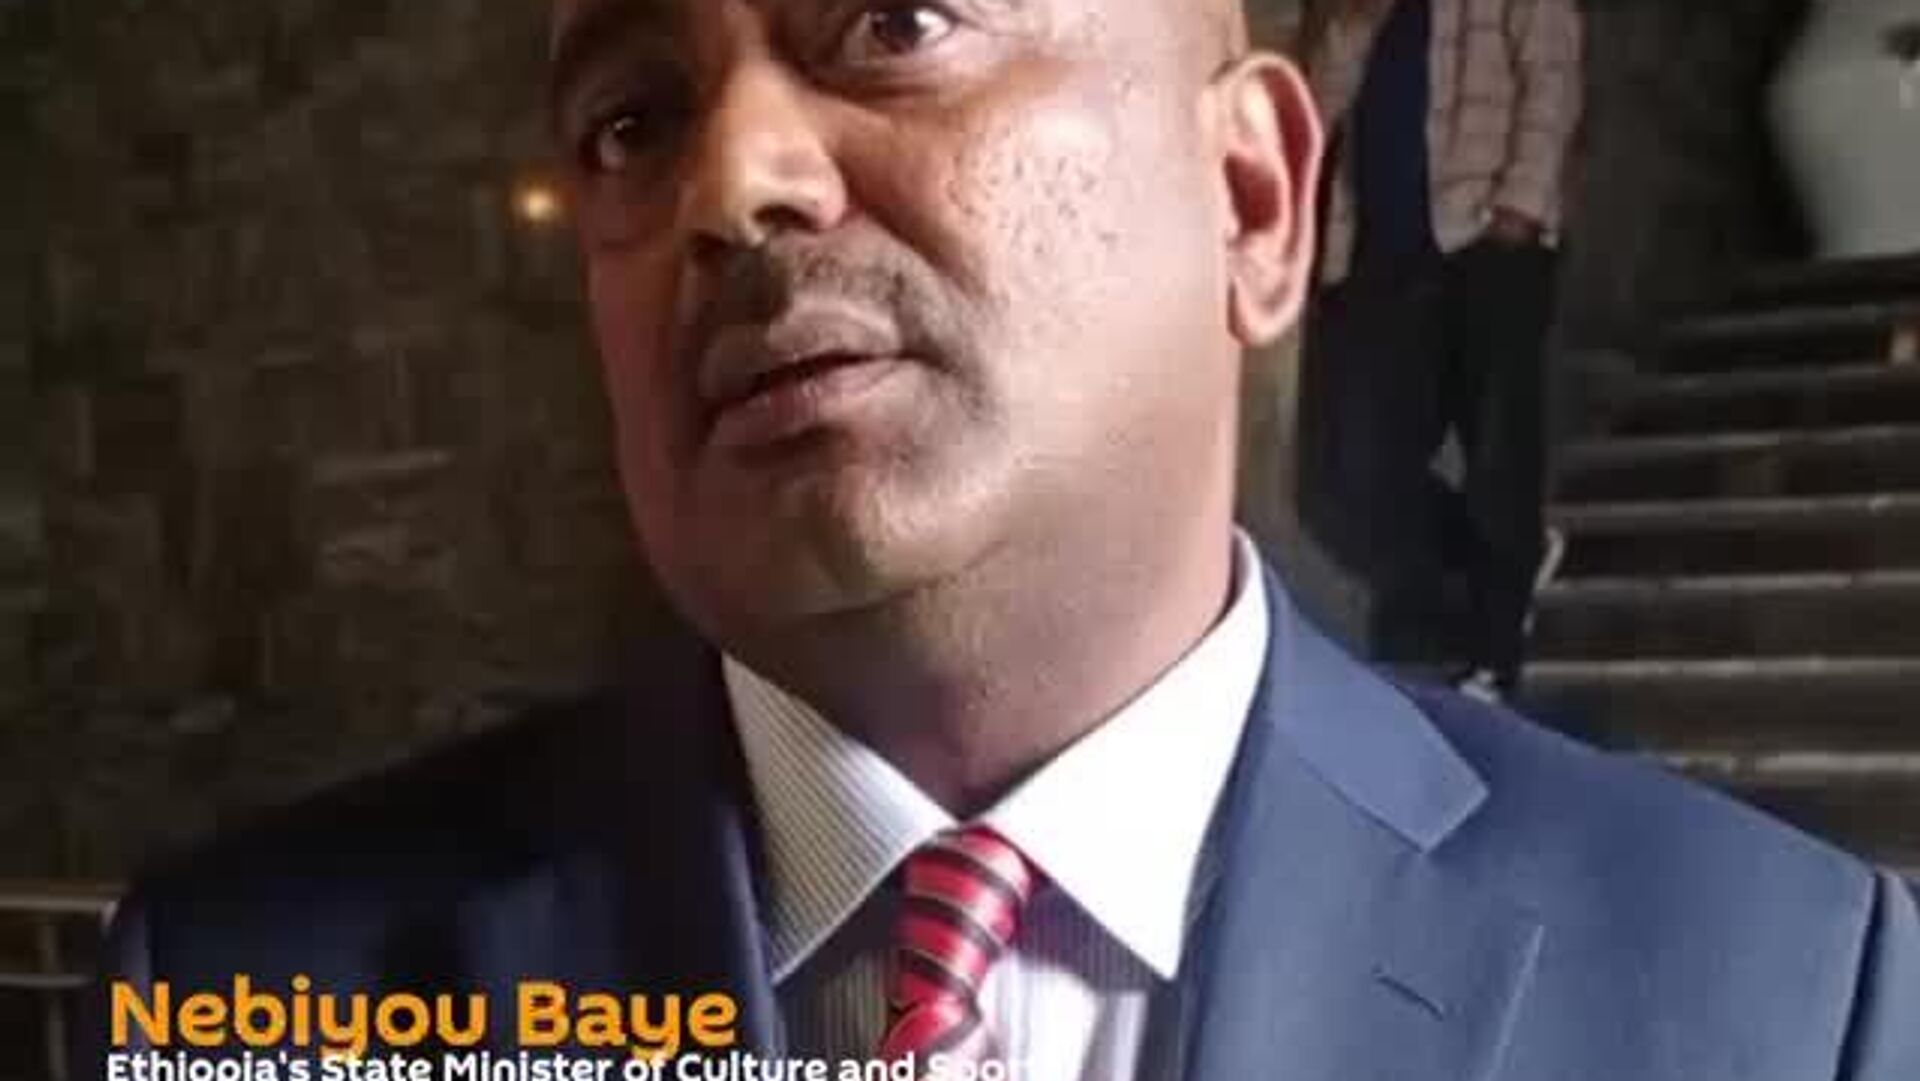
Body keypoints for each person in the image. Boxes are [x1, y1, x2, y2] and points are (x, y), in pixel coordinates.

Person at [80, 1, 1916, 1078]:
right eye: (633, 119)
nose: (733, 180)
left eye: (898, 22)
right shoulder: (247, 997)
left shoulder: (1785, 999)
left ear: (1253, 202)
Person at [1295, 0, 1579, 700]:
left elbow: (1551, 70)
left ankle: (1493, 654)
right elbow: (1319, 111)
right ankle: (1504, 562)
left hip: (1485, 239)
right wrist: (1350, 28)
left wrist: (1523, 202)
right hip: (1380, 258)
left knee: (1498, 453)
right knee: (1351, 479)